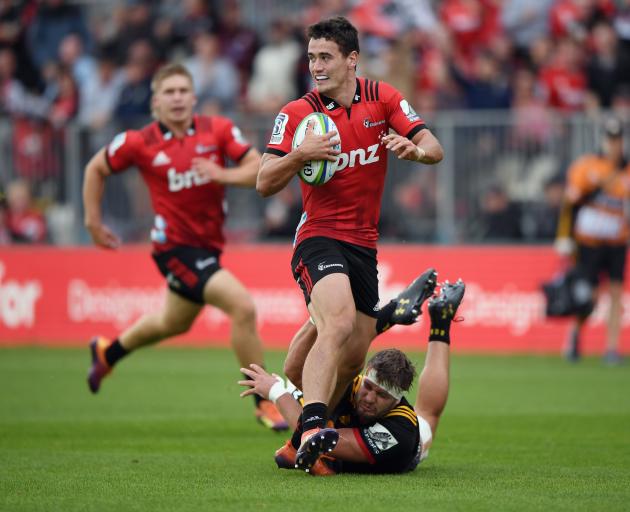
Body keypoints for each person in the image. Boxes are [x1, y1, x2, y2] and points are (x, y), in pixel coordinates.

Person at [256, 16, 444, 468]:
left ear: (351, 59)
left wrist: (414, 151)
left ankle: (300, 438)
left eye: (325, 57)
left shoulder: (384, 100)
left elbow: (434, 147)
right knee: (337, 324)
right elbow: (264, 180)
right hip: (318, 236)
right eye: (312, 57)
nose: (316, 66)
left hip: (364, 247)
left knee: (349, 355)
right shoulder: (299, 113)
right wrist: (301, 155)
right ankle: (317, 427)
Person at [82, 62, 287, 430]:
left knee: (171, 322)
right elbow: (95, 168)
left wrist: (222, 174)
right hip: (173, 247)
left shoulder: (219, 130)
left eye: (182, 91)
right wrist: (93, 222)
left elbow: (258, 167)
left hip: (208, 246)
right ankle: (264, 401)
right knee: (241, 306)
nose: (177, 98)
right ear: (155, 102)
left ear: (194, 97)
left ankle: (107, 353)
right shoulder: (138, 142)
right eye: (169, 92)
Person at [239, 279, 465, 475]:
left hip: (407, 448)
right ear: (365, 375)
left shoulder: (402, 429)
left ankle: (440, 322)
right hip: (339, 426)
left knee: (428, 416)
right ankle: (389, 313)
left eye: (381, 396)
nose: (368, 398)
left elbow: (323, 442)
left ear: (396, 401)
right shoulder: (353, 384)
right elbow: (296, 371)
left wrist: (276, 392)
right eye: (368, 386)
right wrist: (325, 313)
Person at [555, 117, 630, 365]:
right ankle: (575, 334)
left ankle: (611, 348)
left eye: (617, 140)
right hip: (589, 241)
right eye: (610, 140)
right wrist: (564, 237)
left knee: (617, 293)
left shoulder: (627, 171)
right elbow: (571, 202)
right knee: (591, 295)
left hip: (617, 241)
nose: (614, 145)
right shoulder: (587, 166)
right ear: (603, 141)